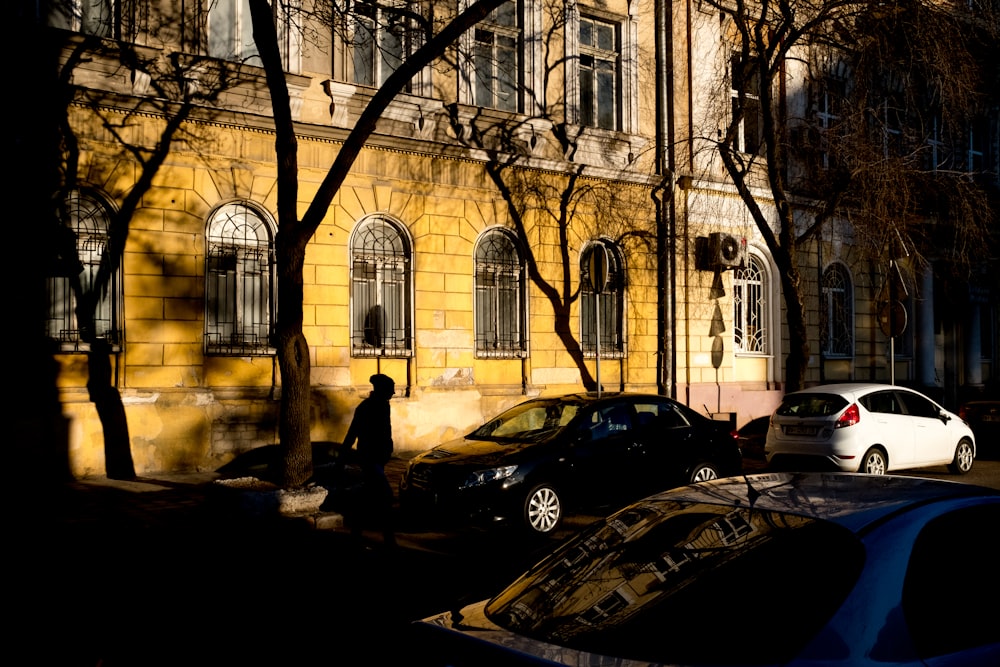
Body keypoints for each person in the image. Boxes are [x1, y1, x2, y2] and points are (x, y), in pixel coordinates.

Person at [340, 373, 397, 549]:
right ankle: (389, 540)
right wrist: (341, 457)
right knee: (386, 497)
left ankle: (357, 534)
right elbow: (353, 433)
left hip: (377, 460)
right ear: (381, 390)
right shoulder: (367, 407)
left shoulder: (383, 406)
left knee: (368, 498)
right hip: (370, 459)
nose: (393, 393)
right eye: (390, 390)